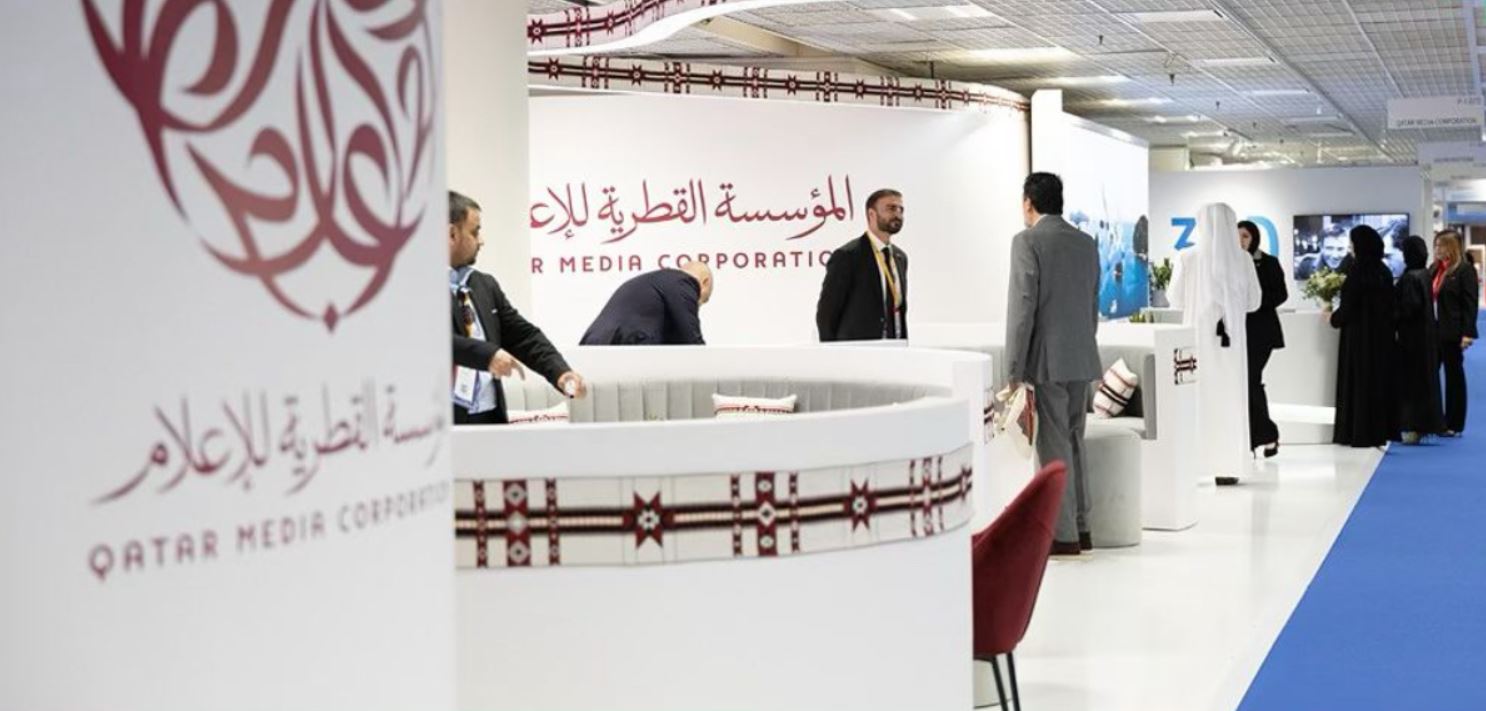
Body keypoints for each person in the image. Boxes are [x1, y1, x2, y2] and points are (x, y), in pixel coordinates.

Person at [1004, 173, 1101, 556]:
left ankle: (1062, 535)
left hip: (1047, 360)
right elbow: (1092, 304)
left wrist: (1013, 370)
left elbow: (1022, 309)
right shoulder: (1086, 242)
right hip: (1082, 356)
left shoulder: (1027, 241)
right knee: (1075, 439)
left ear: (1028, 202)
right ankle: (1082, 526)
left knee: (1054, 445)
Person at [448, 190, 587, 425]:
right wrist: (487, 355)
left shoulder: (484, 285)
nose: (481, 241)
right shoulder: (413, 288)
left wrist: (561, 372)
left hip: (489, 418)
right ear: (452, 233)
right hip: (441, 424)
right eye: (475, 232)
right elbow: (432, 341)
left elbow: (523, 336)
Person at [1169, 204, 1262, 485]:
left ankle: (1195, 465)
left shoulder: (1187, 256)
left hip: (1196, 342)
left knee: (1196, 399)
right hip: (1232, 345)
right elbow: (1254, 302)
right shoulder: (1243, 259)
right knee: (1231, 400)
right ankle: (1228, 466)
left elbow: (1175, 299)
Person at [1329, 225, 1398, 447]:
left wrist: (1333, 318)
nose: (1350, 248)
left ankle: (1356, 432)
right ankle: (1376, 432)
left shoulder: (1356, 272)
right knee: (1377, 384)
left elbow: (1347, 308)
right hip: (1382, 339)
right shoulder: (1384, 271)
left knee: (1358, 384)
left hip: (1358, 339)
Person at [816, 189, 908, 341]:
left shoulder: (900, 258)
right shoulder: (847, 256)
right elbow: (826, 315)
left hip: (896, 348)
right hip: (860, 350)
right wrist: (833, 351)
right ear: (871, 214)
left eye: (901, 210)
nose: (897, 214)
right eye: (891, 208)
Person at [579, 263, 713, 345]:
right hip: (626, 345)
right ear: (705, 282)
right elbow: (691, 339)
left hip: (596, 345)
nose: (696, 306)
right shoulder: (683, 281)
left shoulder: (655, 283)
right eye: (700, 301)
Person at [1241, 220, 1287, 458]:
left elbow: (1281, 294)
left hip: (1262, 333)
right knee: (1246, 384)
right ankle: (1259, 437)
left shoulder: (1268, 262)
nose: (1241, 241)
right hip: (1236, 334)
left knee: (1250, 381)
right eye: (1237, 236)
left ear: (1254, 238)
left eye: (1245, 236)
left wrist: (1255, 303)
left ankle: (1265, 435)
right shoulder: (1231, 264)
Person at [1394, 235, 1443, 444]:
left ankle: (1413, 425)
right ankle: (1423, 425)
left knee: (1411, 383)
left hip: (1411, 339)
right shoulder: (1423, 273)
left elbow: (1409, 308)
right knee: (1424, 382)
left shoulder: (1410, 277)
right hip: (1425, 336)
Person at [1433, 230, 1480, 436]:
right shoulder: (1435, 269)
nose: (1437, 249)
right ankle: (1433, 420)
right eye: (1436, 245)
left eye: (1441, 245)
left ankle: (1454, 423)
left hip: (1452, 332)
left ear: (1452, 247)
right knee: (1430, 375)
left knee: (1454, 377)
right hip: (1433, 331)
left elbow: (1470, 304)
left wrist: (1467, 333)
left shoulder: (1464, 270)